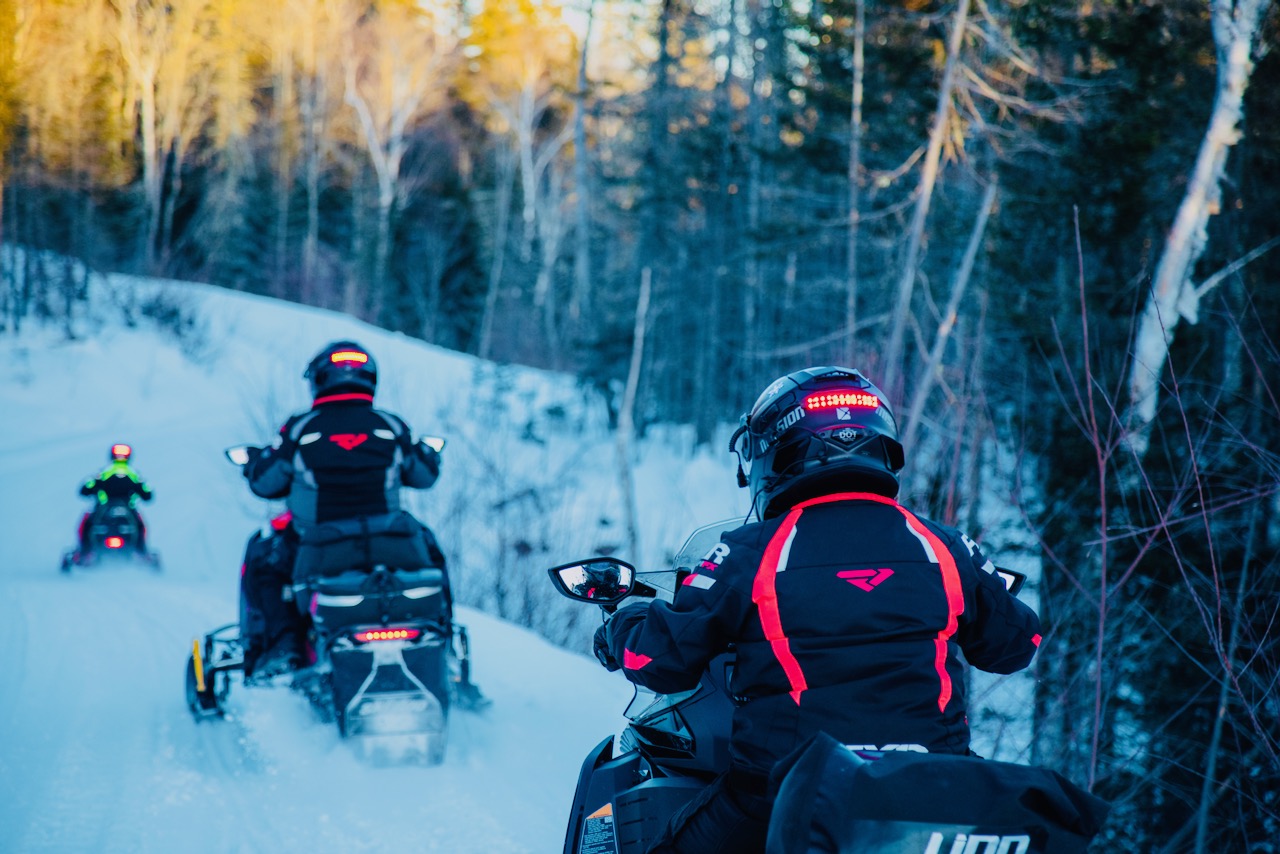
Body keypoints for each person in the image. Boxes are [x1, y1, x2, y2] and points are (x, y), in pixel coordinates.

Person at [593, 366, 1043, 853]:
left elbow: (658, 662)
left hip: (783, 789)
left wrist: (624, 623)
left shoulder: (750, 551)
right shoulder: (945, 546)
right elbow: (1017, 645)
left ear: (773, 451)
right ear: (882, 443)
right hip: (931, 787)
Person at [240, 340, 446, 679]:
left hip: (320, 548)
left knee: (262, 558)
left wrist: (252, 465)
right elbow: (424, 475)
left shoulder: (299, 428)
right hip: (391, 543)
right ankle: (446, 643)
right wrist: (429, 453)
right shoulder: (391, 425)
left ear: (318, 379)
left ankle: (284, 649)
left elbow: (265, 483)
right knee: (431, 546)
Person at [77, 443, 153, 555]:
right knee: (140, 526)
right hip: (125, 509)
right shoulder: (135, 475)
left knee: (87, 524)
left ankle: (84, 552)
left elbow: (85, 489)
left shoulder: (102, 473)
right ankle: (142, 552)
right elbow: (147, 494)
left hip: (104, 509)